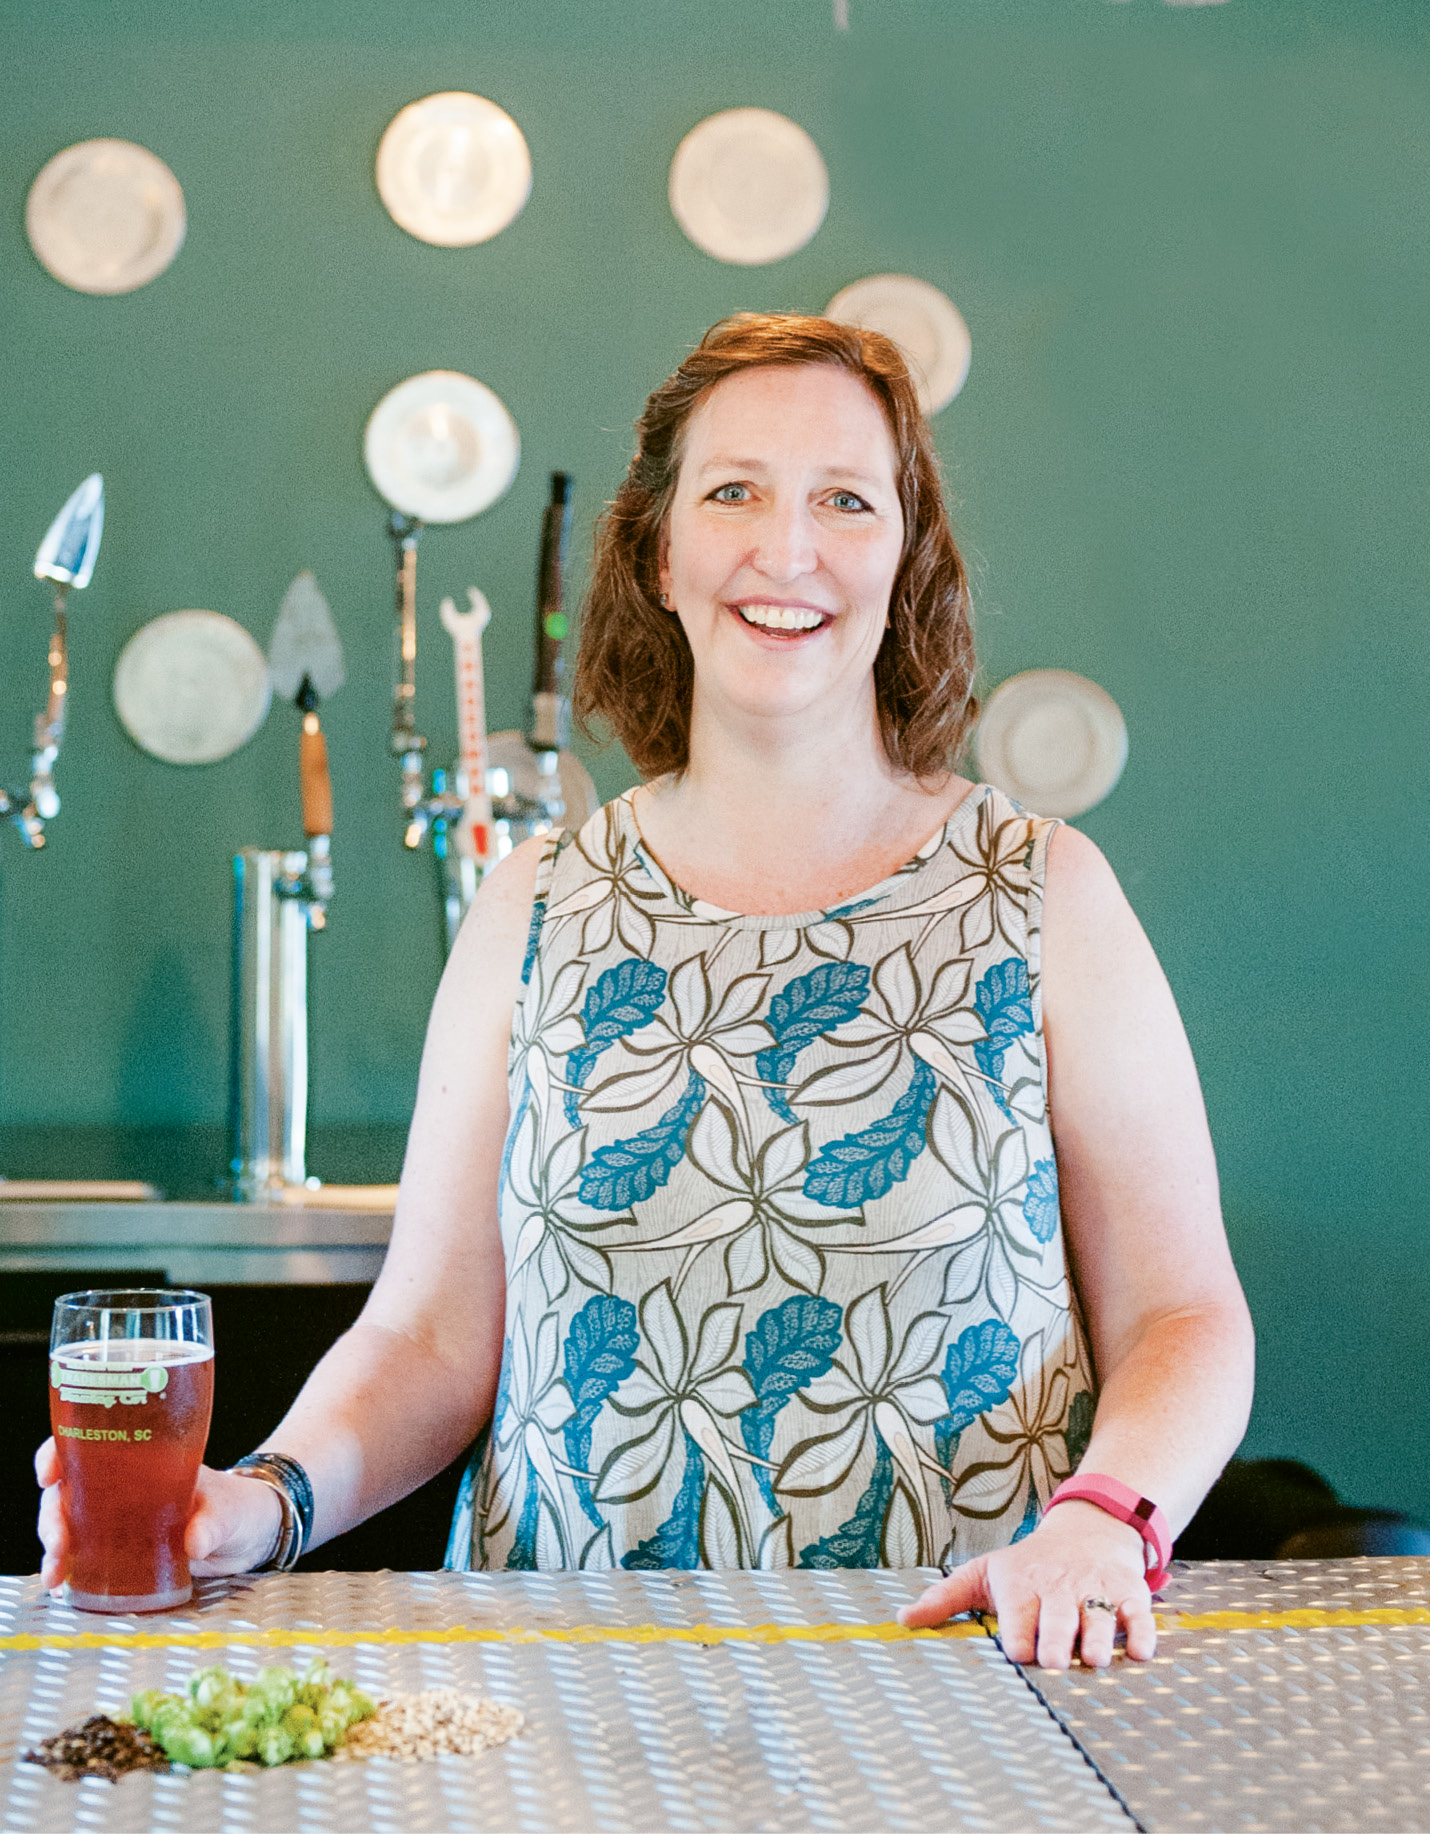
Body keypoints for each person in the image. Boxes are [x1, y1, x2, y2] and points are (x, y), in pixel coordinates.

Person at [36, 314, 1253, 1668]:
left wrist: (1105, 1518)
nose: (785, 549)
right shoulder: (535, 903)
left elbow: (1183, 1315)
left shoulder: (1041, 891)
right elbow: (430, 1336)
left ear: (904, 557)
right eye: (732, 491)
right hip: (565, 1690)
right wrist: (263, 1501)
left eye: (845, 500)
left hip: (966, 1674)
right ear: (659, 555)